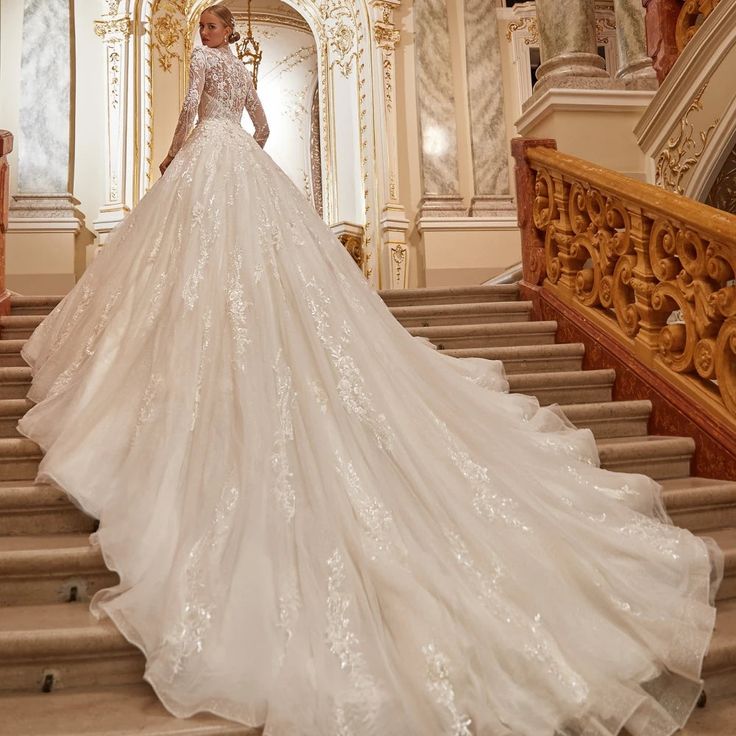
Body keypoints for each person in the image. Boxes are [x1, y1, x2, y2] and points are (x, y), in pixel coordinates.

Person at [17, 4, 722, 735]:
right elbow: (261, 122)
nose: (207, 38)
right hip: (248, 166)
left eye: (210, 28)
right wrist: (249, 138)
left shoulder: (200, 68)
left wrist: (173, 155)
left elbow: (194, 112)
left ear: (216, 32)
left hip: (207, 162)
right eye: (207, 31)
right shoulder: (244, 69)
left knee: (194, 262)